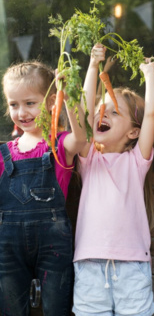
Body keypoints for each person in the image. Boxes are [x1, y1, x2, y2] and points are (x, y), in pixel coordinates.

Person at [72, 44, 154, 316]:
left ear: (134, 132)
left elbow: (153, 115)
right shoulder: (89, 159)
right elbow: (83, 117)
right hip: (89, 264)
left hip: (132, 265)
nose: (103, 115)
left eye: (113, 112)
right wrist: (92, 66)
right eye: (102, 110)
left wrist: (150, 74)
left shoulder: (136, 162)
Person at [0, 61, 87, 316]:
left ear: (50, 102)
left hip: (54, 247)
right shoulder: (4, 153)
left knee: (56, 309)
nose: (21, 112)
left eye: (30, 103)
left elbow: (81, 137)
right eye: (13, 104)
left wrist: (68, 93)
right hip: (7, 246)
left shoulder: (58, 145)